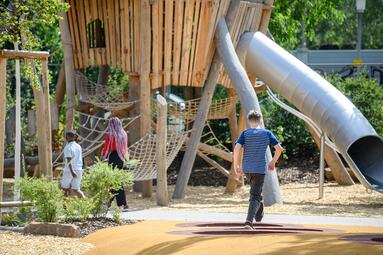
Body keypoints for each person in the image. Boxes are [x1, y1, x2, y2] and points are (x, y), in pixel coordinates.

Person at [233, 110, 283, 230]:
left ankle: (258, 214)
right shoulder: (267, 133)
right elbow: (279, 149)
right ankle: (249, 222)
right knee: (255, 195)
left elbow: (236, 149)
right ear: (260, 120)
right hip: (260, 169)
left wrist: (236, 165)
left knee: (255, 194)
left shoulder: (245, 133)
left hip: (247, 169)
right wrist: (272, 162)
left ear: (249, 121)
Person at [102, 117, 129, 210]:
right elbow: (125, 148)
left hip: (113, 157)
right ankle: (110, 201)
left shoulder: (110, 134)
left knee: (116, 181)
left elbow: (106, 148)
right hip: (121, 157)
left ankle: (123, 203)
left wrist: (103, 157)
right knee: (115, 180)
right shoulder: (123, 134)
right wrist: (126, 160)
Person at [61, 130, 85, 198]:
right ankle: (86, 203)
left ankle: (65, 207)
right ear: (74, 137)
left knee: (64, 189)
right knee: (76, 189)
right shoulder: (78, 146)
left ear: (66, 137)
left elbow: (69, 161)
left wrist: (72, 171)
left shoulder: (68, 147)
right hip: (79, 169)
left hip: (70, 171)